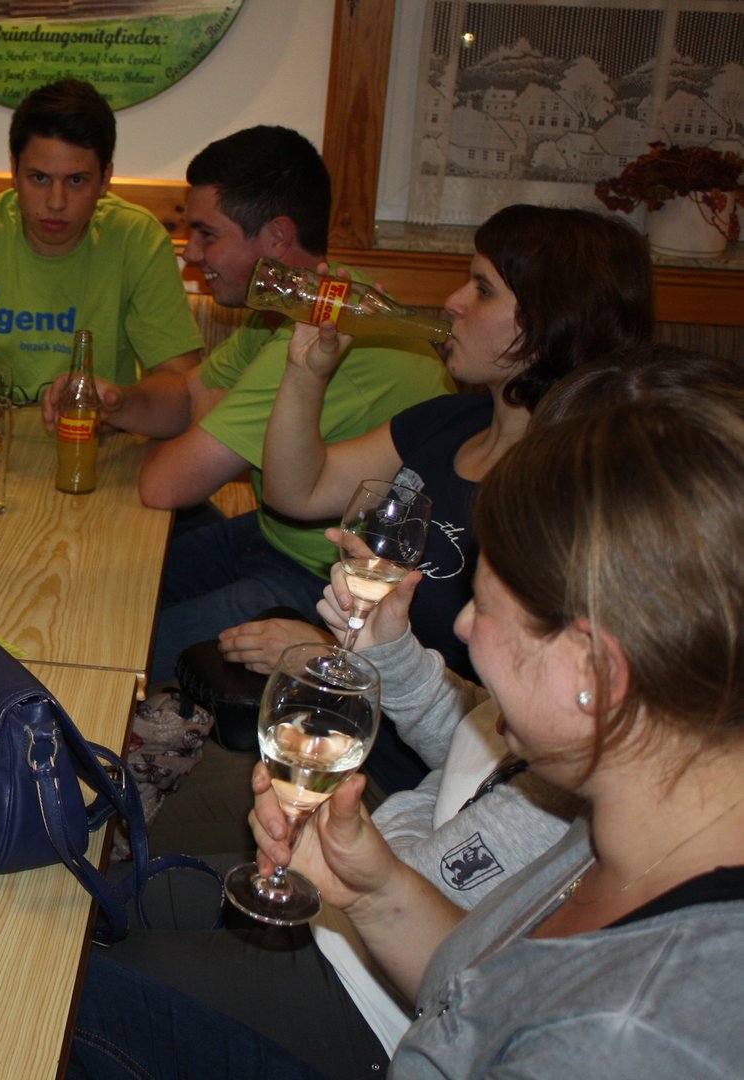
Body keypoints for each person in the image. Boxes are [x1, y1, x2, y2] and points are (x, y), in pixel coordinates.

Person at [71, 351, 744, 1078]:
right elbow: (471, 998)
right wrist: (377, 889)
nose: (462, 629)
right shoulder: (629, 821)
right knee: (94, 922)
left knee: (69, 1000)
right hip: (378, 936)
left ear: (595, 671)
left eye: (486, 607)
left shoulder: (628, 1035)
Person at [220, 204, 654, 684]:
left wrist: (332, 654)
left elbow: (515, 701)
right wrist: (306, 371)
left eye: (483, 290)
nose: (453, 302)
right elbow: (296, 493)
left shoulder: (565, 491)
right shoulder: (451, 420)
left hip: (410, 726)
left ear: (553, 320)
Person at [141, 126, 453, 689]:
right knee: (116, 588)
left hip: (331, 582)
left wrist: (211, 415)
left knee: (124, 646)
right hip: (271, 536)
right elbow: (187, 395)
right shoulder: (284, 312)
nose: (190, 253)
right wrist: (113, 401)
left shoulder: (322, 330)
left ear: (277, 236)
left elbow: (165, 485)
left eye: (207, 234)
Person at [0, 78, 203, 413]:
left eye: (76, 180)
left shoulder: (138, 239)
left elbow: (183, 384)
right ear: (14, 171)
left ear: (105, 178)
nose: (56, 202)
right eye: (39, 178)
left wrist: (114, 403)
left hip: (97, 433)